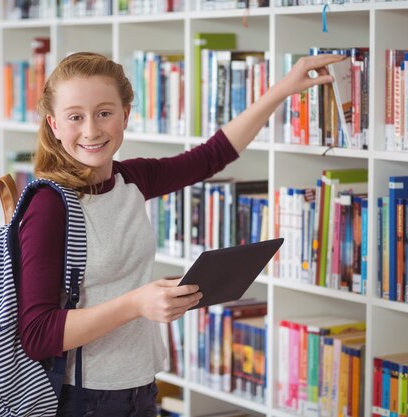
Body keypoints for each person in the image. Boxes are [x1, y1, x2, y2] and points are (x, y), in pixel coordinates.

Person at [17, 51, 346, 416]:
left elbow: (212, 155)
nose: (91, 130)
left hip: (140, 385)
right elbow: (37, 334)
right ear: (54, 124)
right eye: (75, 117)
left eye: (104, 113)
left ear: (125, 115)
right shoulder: (48, 205)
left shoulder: (131, 179)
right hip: (82, 397)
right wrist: (136, 303)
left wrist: (282, 89)